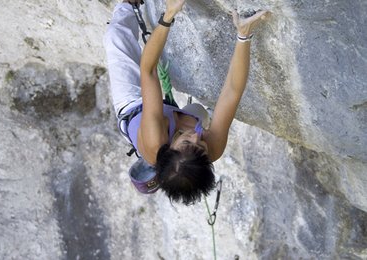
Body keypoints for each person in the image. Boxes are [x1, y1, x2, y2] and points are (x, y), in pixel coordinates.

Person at [104, 0, 269, 205]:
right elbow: (232, 92)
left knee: (115, 37)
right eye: (201, 145)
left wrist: (169, 15)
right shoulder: (213, 149)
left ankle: (129, 5)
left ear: (168, 150)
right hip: (177, 116)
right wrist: (244, 36)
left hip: (132, 106)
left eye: (186, 142)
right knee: (199, 113)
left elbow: (148, 70)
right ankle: (200, 115)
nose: (195, 136)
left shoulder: (154, 139)